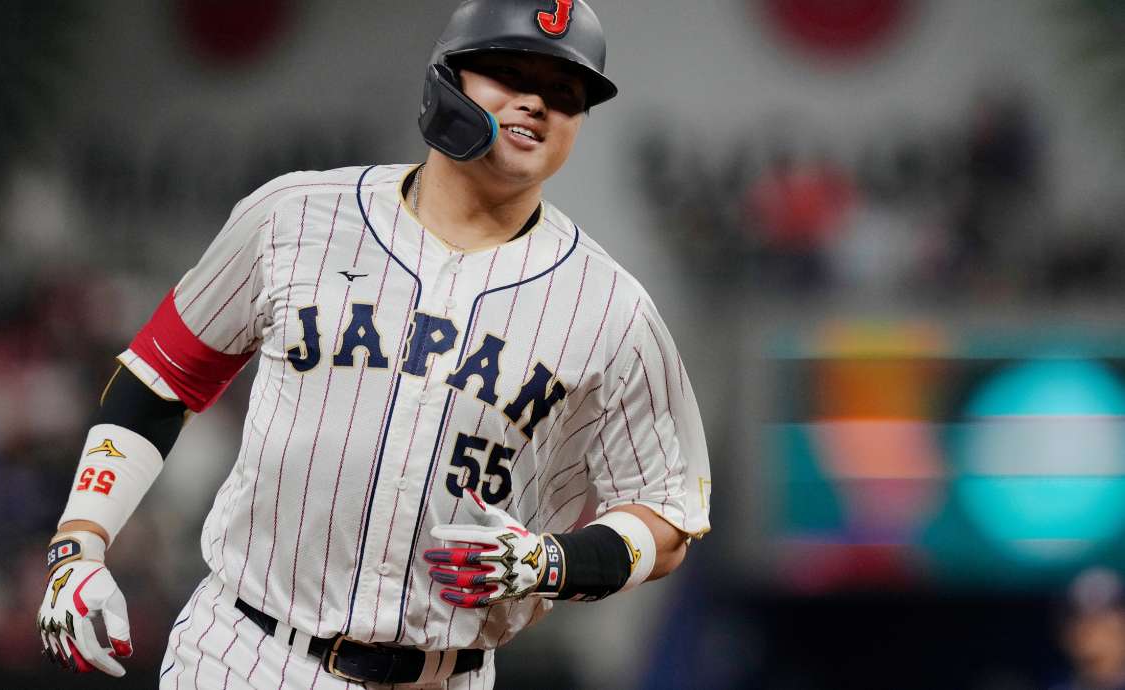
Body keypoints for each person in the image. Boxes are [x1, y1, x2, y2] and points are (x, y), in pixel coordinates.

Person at [35, 1, 712, 687]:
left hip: (447, 673)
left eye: (565, 94)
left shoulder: (611, 308)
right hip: (248, 650)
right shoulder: (294, 217)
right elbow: (160, 378)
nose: (536, 103)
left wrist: (555, 562)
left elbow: (665, 512)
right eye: (508, 74)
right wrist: (78, 547)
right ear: (444, 82)